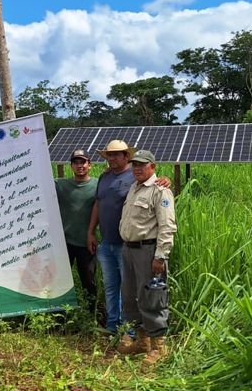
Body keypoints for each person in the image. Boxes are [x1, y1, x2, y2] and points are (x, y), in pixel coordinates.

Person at [87, 140, 170, 335]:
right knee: (116, 287)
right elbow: (98, 204)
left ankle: (135, 333)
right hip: (110, 245)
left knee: (139, 291)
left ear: (126, 157)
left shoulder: (138, 180)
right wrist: (91, 232)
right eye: (109, 155)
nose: (112, 158)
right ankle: (114, 326)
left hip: (133, 246)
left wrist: (165, 179)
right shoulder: (107, 177)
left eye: (117, 154)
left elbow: (165, 218)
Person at [115, 150, 177, 364]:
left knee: (152, 297)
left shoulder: (160, 190)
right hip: (129, 250)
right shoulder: (134, 187)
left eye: (142, 165)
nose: (137, 168)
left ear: (153, 166)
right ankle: (142, 342)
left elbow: (167, 226)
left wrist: (160, 256)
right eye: (134, 165)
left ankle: (158, 348)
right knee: (131, 296)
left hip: (148, 251)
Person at [54, 149, 99, 311]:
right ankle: (61, 316)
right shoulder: (60, 185)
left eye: (83, 162)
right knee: (61, 281)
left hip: (86, 243)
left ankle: (93, 316)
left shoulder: (97, 184)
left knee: (88, 281)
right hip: (64, 242)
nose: (80, 166)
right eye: (76, 162)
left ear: (90, 165)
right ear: (71, 166)